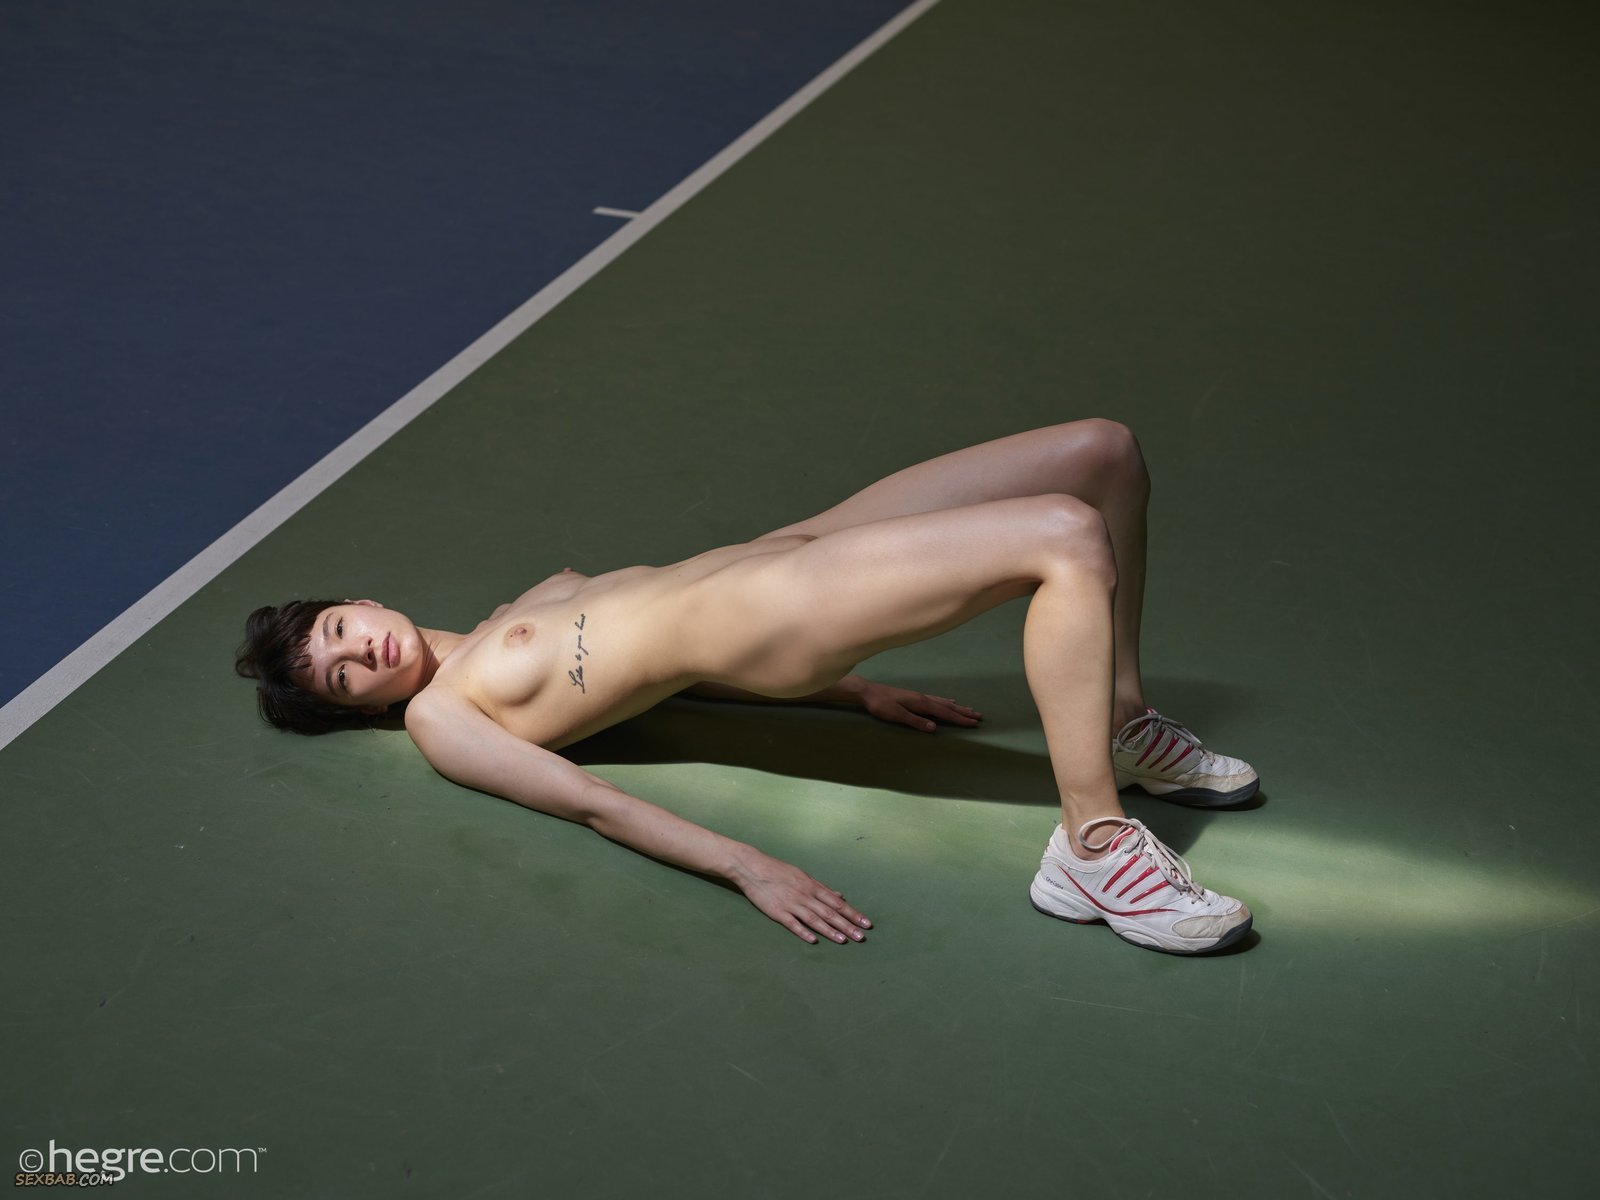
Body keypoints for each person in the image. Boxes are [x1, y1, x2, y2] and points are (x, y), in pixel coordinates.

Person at [237, 420, 1259, 954]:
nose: (360, 653)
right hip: (782, 613)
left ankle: (1118, 721)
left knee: (1101, 454)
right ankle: (1089, 844)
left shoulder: (513, 610)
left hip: (789, 548)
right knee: (1065, 536)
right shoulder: (440, 715)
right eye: (342, 678)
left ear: (362, 601)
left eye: (340, 631)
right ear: (367, 709)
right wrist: (745, 866)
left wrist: (854, 695)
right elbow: (587, 799)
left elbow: (658, 688)